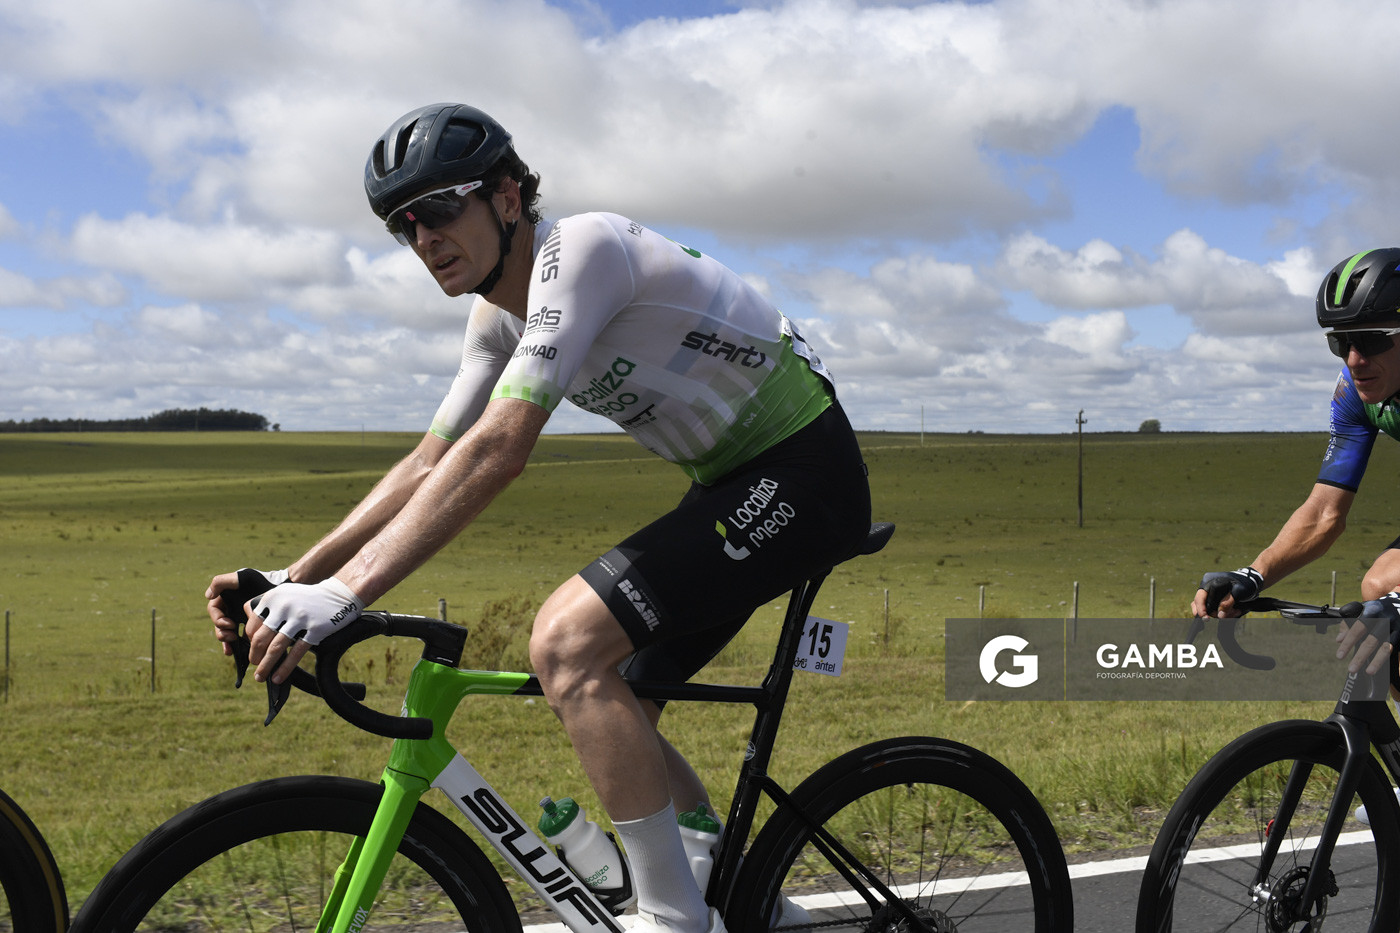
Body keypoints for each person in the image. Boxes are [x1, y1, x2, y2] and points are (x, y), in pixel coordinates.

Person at [204, 102, 871, 933]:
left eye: (439, 208)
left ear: (508, 197)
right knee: (621, 696)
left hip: (806, 471)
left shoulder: (583, 251)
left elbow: (499, 448)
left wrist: (346, 593)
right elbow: (430, 463)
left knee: (565, 642)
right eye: (404, 226)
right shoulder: (496, 318)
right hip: (727, 485)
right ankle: (742, 898)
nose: (424, 239)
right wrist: (296, 576)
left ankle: (673, 917)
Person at [1193, 248, 1400, 822]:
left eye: (1372, 339)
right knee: (1381, 589)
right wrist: (1253, 576)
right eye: (1341, 342)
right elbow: (1325, 512)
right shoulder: (1357, 391)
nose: (1355, 359)